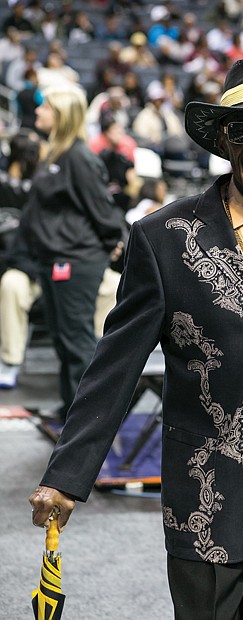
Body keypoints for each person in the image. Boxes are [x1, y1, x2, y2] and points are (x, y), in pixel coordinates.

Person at [30, 57, 243, 620]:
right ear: (221, 140)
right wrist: (66, 477)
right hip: (204, 498)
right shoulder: (162, 238)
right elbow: (114, 368)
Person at [20, 83, 125, 422]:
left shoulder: (79, 157)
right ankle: (71, 407)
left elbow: (103, 209)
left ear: (62, 115)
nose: (38, 111)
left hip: (76, 260)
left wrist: (115, 242)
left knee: (77, 342)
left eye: (45, 107)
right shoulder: (56, 153)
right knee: (63, 341)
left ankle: (88, 420)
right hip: (53, 259)